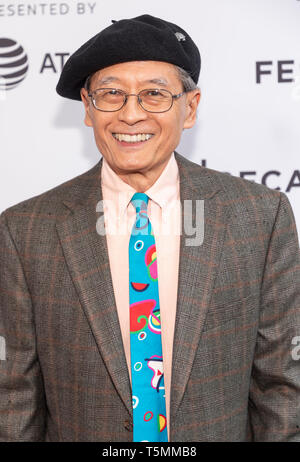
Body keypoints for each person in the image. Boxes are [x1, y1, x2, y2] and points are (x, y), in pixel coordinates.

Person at [0, 14, 299, 442]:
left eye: (154, 94)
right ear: (88, 107)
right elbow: (14, 401)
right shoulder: (26, 231)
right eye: (112, 94)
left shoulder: (259, 217)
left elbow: (283, 388)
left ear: (190, 107)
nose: (131, 115)